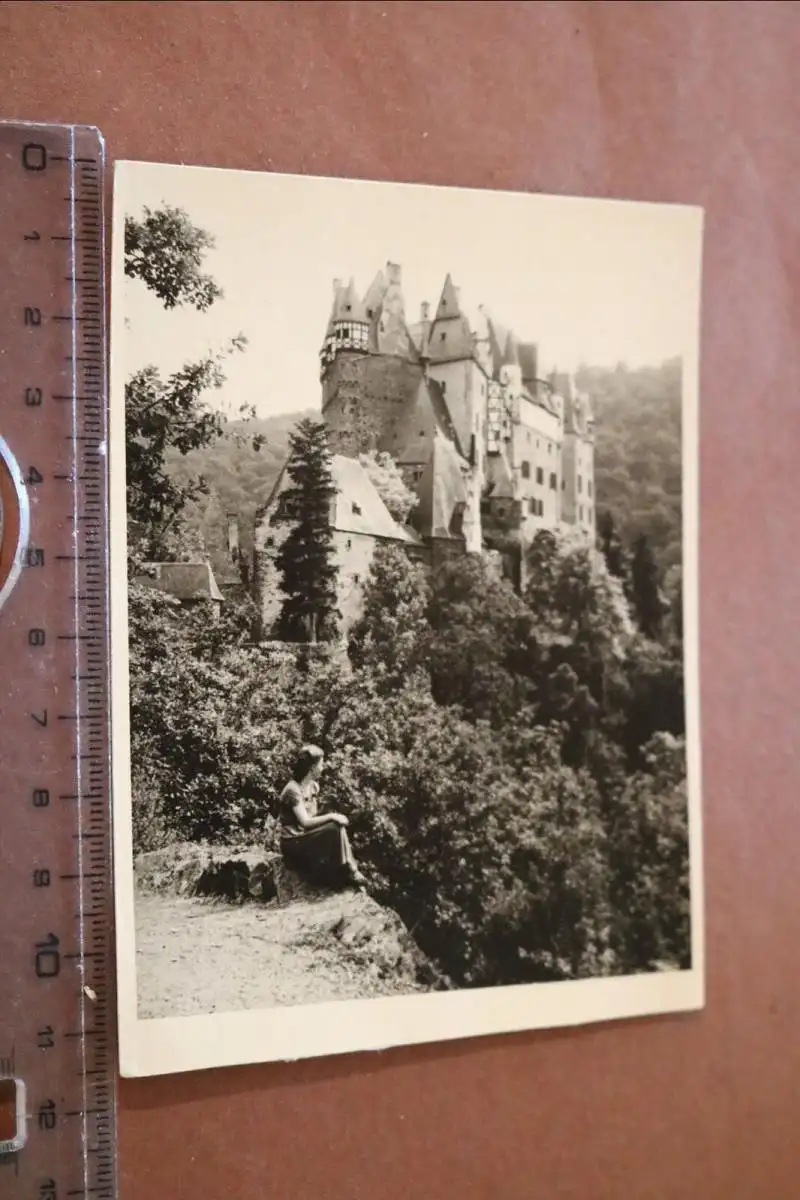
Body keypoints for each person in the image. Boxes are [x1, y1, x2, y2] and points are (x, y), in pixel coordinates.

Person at [278, 744, 366, 890]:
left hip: (304, 837)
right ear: (312, 768)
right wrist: (332, 816)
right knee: (333, 825)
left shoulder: (313, 787)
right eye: (321, 764)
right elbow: (305, 822)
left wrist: (329, 815)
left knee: (336, 827)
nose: (323, 767)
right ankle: (350, 870)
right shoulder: (292, 789)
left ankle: (347, 870)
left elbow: (314, 818)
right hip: (293, 842)